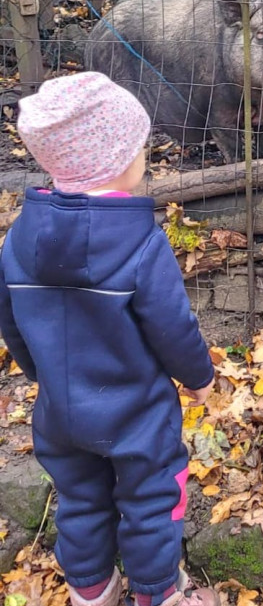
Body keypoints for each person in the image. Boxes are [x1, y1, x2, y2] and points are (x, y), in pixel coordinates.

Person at [0, 73, 219, 606]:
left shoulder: (18, 236)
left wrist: (44, 376)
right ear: (119, 161)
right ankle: (157, 594)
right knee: (151, 500)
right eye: (139, 148)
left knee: (79, 498)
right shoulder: (141, 242)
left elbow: (11, 323)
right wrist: (199, 378)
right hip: (137, 413)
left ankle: (91, 590)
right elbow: (173, 326)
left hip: (59, 412)